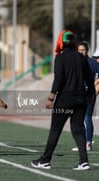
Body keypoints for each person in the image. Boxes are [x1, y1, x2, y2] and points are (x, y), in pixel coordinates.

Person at [31, 30, 95, 170]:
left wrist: (50, 97)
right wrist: (90, 95)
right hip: (80, 100)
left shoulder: (60, 58)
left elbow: (58, 79)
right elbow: (90, 79)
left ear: (62, 43)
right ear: (74, 43)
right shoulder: (82, 58)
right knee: (78, 130)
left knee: (55, 130)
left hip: (64, 100)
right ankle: (84, 161)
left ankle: (45, 160)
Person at [71, 41, 99, 152]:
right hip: (77, 93)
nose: (81, 52)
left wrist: (95, 83)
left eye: (83, 50)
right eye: (79, 50)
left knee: (87, 117)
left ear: (87, 50)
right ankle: (81, 144)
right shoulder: (74, 62)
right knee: (78, 119)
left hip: (89, 93)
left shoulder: (92, 62)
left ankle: (88, 143)